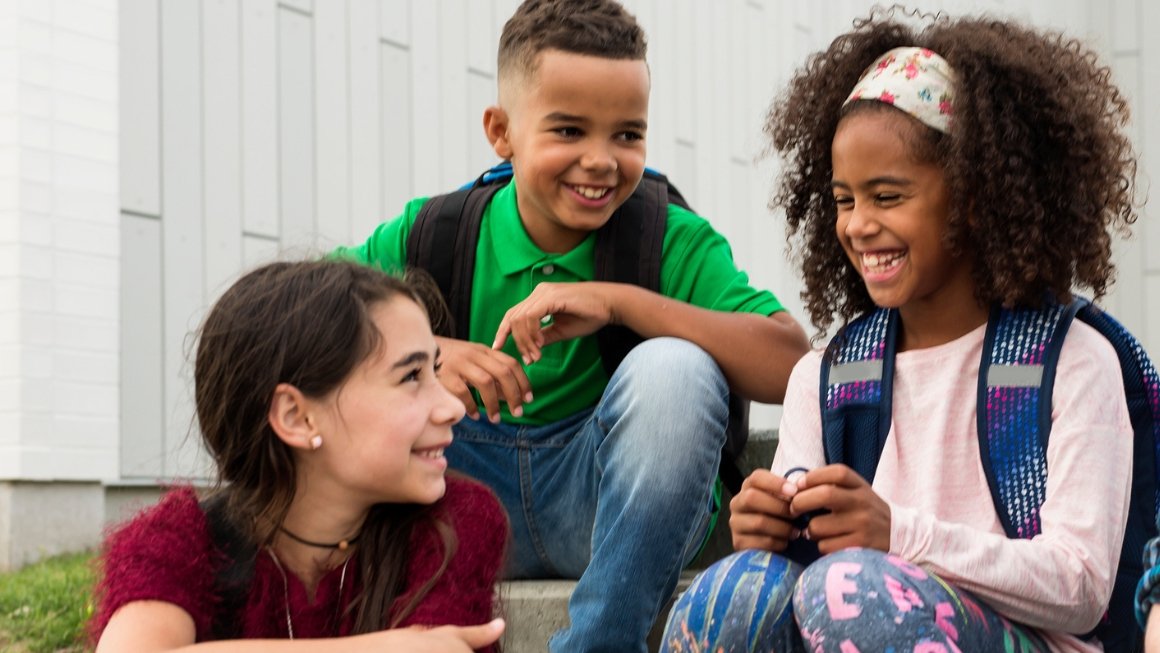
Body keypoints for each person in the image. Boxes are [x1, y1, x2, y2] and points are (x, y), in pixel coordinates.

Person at [333, 0, 810, 650]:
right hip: (452, 495)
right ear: (501, 132)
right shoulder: (433, 234)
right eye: (568, 131)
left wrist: (619, 302)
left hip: (606, 507)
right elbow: (284, 325)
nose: (601, 160)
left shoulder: (664, 237)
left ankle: (601, 643)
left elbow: (792, 363)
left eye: (627, 134)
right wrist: (428, 354)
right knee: (342, 366)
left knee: (677, 367)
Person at [665, 8, 1140, 652]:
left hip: (1025, 639)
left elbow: (1083, 586)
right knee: (733, 594)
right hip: (850, 613)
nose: (858, 225)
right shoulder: (828, 375)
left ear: (976, 198)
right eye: (844, 199)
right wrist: (764, 534)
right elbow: (803, 580)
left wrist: (898, 536)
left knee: (859, 593)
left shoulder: (1071, 360)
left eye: (887, 197)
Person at [90, 260, 508, 652]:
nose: (452, 407)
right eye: (412, 376)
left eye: (436, 370)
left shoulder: (456, 522)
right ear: (297, 417)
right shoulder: (183, 539)